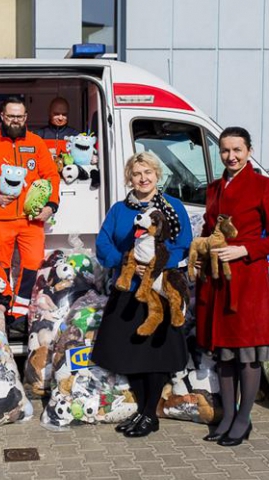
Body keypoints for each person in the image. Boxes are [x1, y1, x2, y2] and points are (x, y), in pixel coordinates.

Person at [194, 127, 269, 447]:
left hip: (247, 282)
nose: (231, 156)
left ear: (249, 151)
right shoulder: (213, 188)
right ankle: (229, 416)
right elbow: (209, 229)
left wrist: (244, 249)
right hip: (217, 282)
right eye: (225, 150)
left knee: (247, 355)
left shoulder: (264, 187)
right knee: (224, 354)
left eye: (237, 150)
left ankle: (244, 418)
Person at [91, 151, 191, 438]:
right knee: (130, 352)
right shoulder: (120, 210)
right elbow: (103, 243)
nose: (143, 178)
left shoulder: (172, 207)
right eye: (137, 173)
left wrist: (155, 267)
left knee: (155, 355)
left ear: (157, 175)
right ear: (129, 178)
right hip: (130, 290)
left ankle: (149, 414)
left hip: (160, 290)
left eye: (148, 172)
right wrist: (125, 262)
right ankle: (142, 411)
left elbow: (183, 244)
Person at [0, 97, 60, 329]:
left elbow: (52, 176)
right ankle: (2, 312)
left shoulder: (37, 144)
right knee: (0, 267)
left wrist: (51, 206)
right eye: (11, 116)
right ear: (2, 116)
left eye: (19, 116)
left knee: (32, 264)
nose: (15, 120)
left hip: (31, 220)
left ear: (26, 117)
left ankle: (20, 315)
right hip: (0, 218)